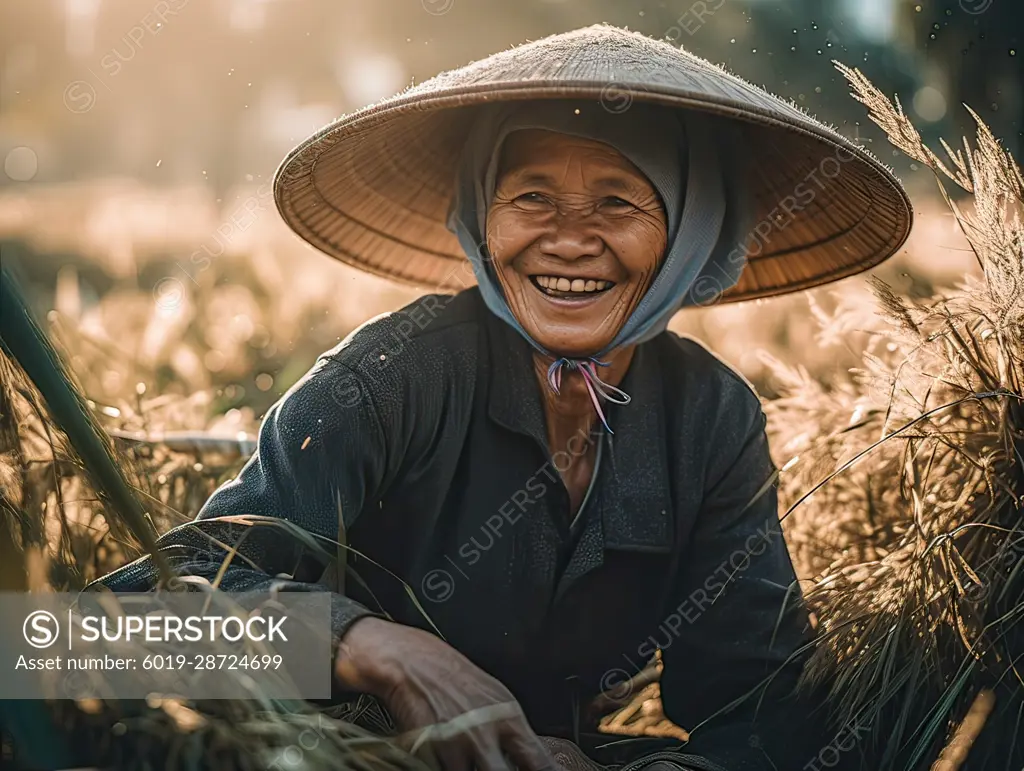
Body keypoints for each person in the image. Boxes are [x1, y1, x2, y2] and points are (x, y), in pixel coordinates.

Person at [96, 24, 912, 771]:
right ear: (481, 215)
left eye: (619, 201)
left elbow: (766, 716)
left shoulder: (712, 419)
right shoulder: (394, 375)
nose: (567, 238)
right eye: (530, 197)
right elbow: (97, 632)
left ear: (689, 230)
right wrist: (372, 645)